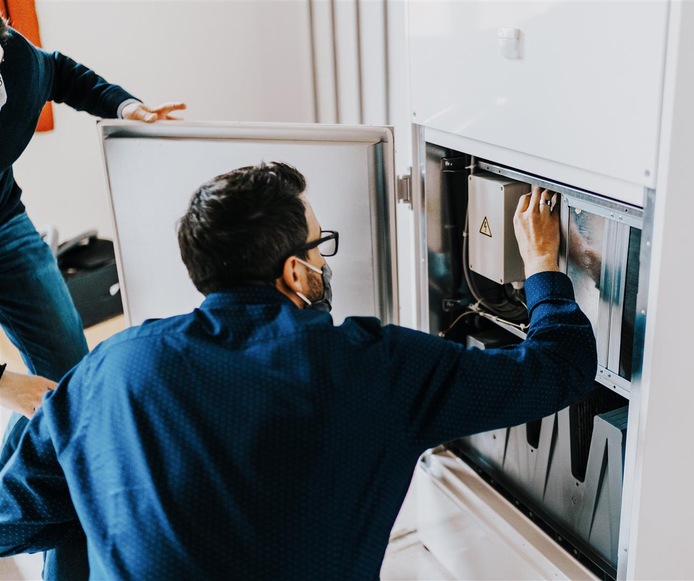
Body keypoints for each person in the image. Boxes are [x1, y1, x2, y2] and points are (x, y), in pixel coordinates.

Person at [0, 162, 597, 579]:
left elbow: (13, 522)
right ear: (294, 273)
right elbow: (558, 370)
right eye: (320, 247)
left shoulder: (111, 367)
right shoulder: (372, 366)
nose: (322, 260)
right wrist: (542, 263)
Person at [0, 16, 185, 579]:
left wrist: (127, 108)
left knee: (69, 388)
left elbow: (59, 72)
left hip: (5, 223)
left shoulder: (15, 54)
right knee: (34, 395)